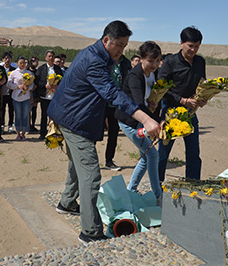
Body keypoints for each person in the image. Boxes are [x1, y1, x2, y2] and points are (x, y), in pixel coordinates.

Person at [48, 20, 161, 244]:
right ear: (106, 40)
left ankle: (68, 203)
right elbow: (111, 93)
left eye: (125, 46)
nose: (121, 50)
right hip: (75, 120)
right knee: (90, 174)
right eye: (119, 45)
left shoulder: (99, 55)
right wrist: (146, 118)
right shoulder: (94, 60)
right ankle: (90, 232)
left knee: (76, 164)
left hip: (73, 116)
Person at [158, 26, 207, 181]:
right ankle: (157, 185)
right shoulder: (170, 62)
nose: (193, 50)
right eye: (190, 46)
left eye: (197, 46)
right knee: (163, 153)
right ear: (181, 43)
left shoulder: (200, 62)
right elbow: (161, 89)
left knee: (193, 152)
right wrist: (183, 100)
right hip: (170, 111)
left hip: (190, 112)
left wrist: (202, 97)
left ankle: (192, 185)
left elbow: (202, 84)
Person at [115, 41, 163, 201]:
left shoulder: (153, 73)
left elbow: (149, 97)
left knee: (146, 156)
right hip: (129, 121)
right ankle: (158, 195)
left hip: (142, 120)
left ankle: (131, 189)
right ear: (141, 58)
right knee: (153, 155)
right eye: (151, 61)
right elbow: (137, 103)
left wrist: (153, 104)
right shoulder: (134, 76)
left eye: (157, 61)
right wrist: (154, 121)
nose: (154, 64)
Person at [103, 53, 132, 170]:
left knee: (113, 133)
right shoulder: (104, 60)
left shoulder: (125, 62)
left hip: (117, 103)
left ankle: (109, 161)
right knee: (96, 132)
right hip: (102, 102)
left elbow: (127, 80)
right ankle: (90, 162)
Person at [34, 50, 63, 140]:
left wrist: (56, 86)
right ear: (46, 58)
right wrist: (45, 85)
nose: (51, 58)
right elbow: (36, 80)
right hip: (44, 96)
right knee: (44, 115)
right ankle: (43, 133)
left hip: (55, 97)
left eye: (52, 56)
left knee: (55, 116)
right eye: (49, 56)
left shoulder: (57, 69)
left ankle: (54, 132)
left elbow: (62, 80)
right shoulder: (41, 68)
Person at [7, 56, 35, 140]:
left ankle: (24, 133)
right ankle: (18, 133)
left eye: (24, 63)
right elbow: (8, 84)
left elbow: (32, 84)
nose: (22, 64)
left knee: (25, 115)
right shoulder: (13, 73)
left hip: (26, 97)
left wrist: (28, 88)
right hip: (16, 97)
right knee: (18, 115)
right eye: (21, 63)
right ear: (17, 63)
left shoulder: (29, 73)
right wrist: (17, 86)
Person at [0, 51, 16, 134]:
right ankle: (2, 125)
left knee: (11, 110)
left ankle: (10, 125)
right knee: (2, 110)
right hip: (2, 93)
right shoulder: (0, 69)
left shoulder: (14, 70)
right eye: (5, 58)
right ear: (3, 59)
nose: (7, 60)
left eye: (9, 58)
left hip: (11, 93)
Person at [28, 56, 40, 132]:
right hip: (28, 92)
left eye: (37, 62)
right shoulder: (27, 71)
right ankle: (28, 125)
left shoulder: (38, 71)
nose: (36, 63)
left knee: (34, 109)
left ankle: (33, 125)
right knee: (28, 110)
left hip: (35, 92)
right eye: (35, 62)